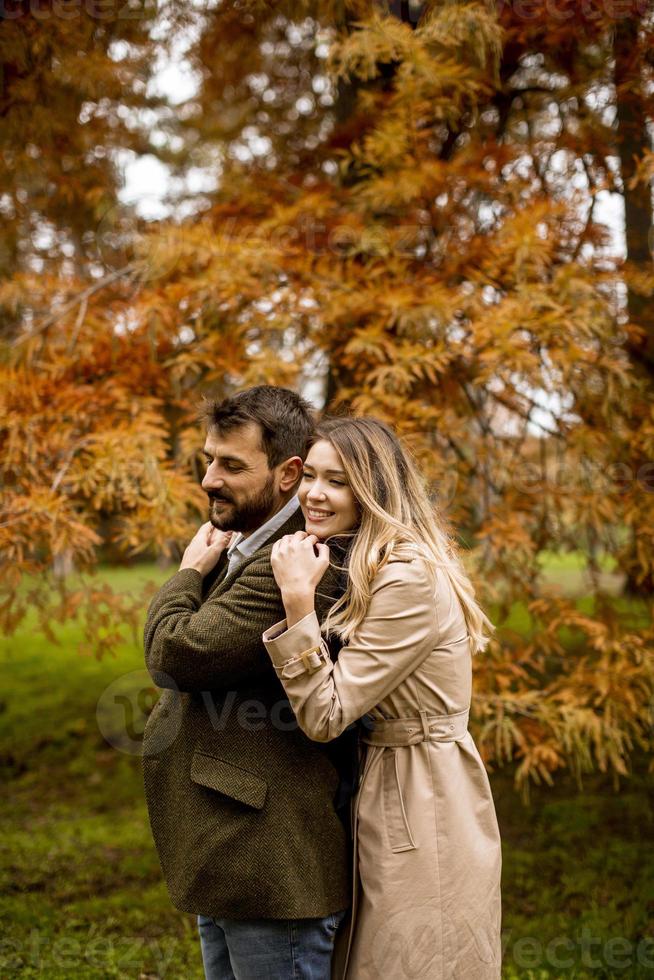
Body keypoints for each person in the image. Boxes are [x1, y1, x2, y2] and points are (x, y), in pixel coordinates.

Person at [261, 416, 503, 980]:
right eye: (310, 476)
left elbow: (324, 715)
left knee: (417, 960)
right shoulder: (370, 559)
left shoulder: (408, 576)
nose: (314, 494)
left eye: (337, 481)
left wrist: (297, 605)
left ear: (373, 489)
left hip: (424, 792)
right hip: (388, 775)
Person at [142, 386, 351, 980]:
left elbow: (175, 656)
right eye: (209, 460)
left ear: (288, 473)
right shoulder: (246, 545)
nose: (210, 479)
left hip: (269, 858)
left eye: (232, 465)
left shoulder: (301, 558)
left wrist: (185, 574)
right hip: (230, 849)